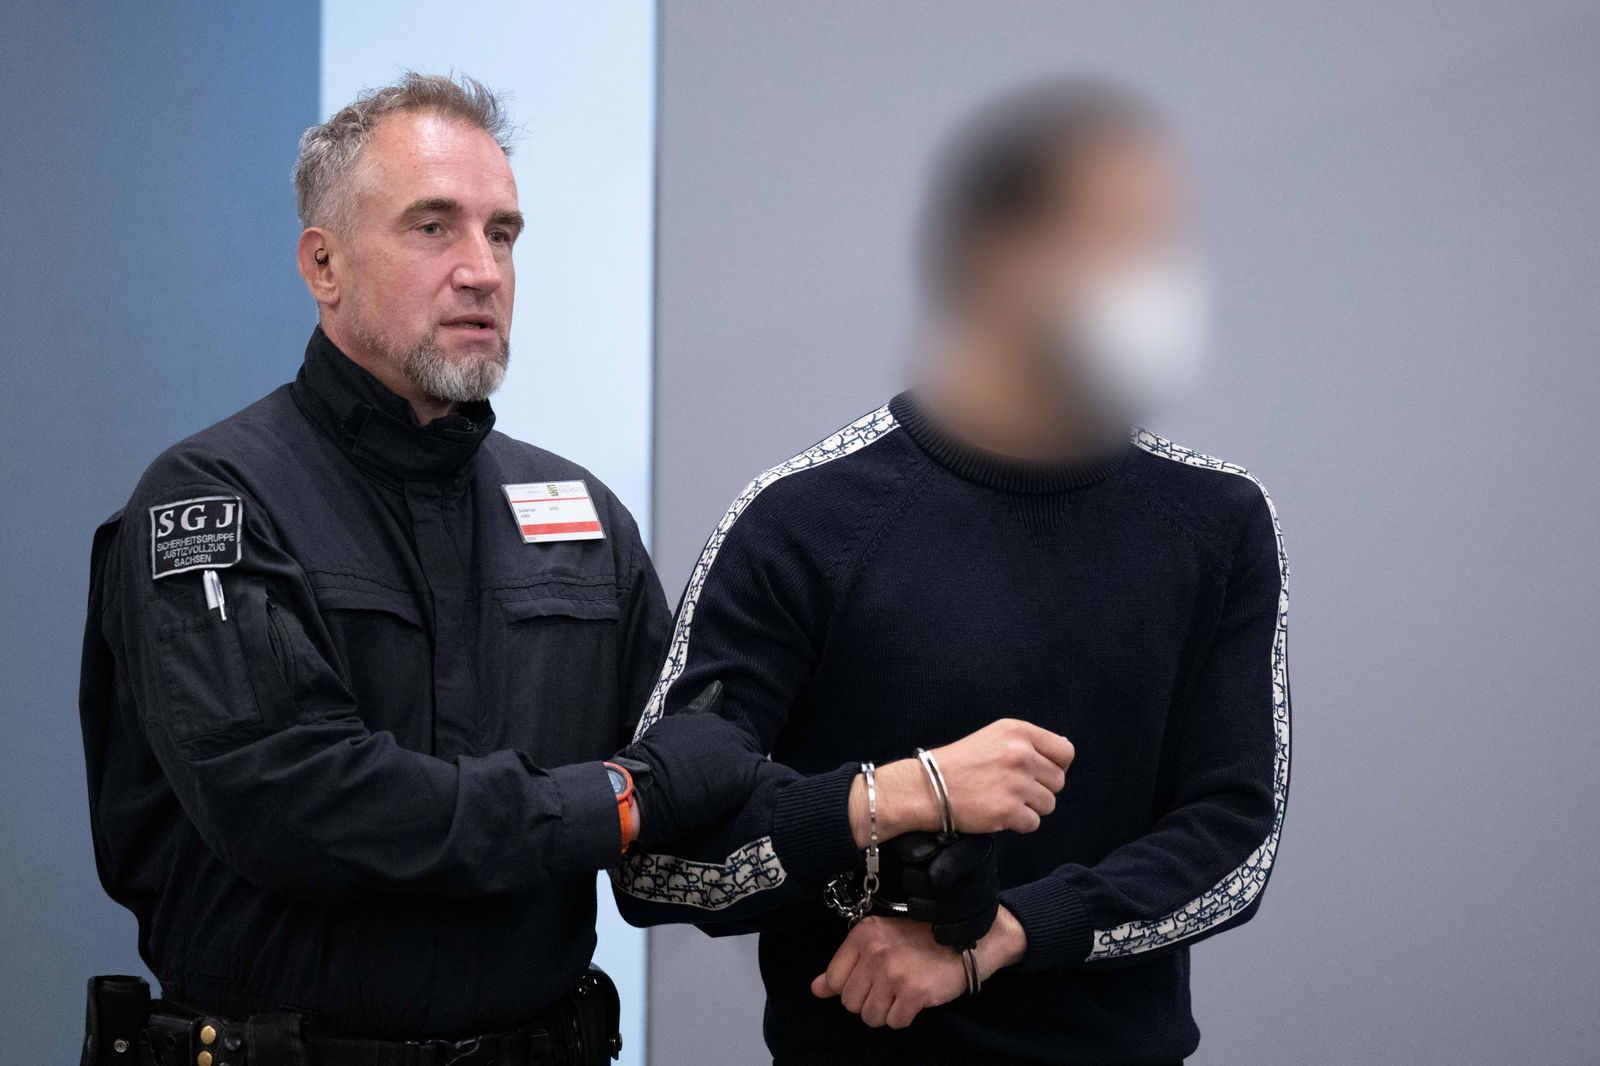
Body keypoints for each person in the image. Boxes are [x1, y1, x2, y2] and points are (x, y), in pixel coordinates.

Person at [75, 72, 772, 1066]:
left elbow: (694, 799)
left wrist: (886, 824)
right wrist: (620, 798)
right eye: (433, 227)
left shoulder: (580, 515)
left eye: (503, 234)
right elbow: (304, 807)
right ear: (323, 264)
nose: (483, 271)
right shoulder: (213, 503)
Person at [614, 79, 1291, 1065]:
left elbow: (1234, 837)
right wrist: (899, 795)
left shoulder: (1219, 521)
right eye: (1119, 241)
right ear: (996, 256)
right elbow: (661, 862)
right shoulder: (801, 520)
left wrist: (1004, 934)